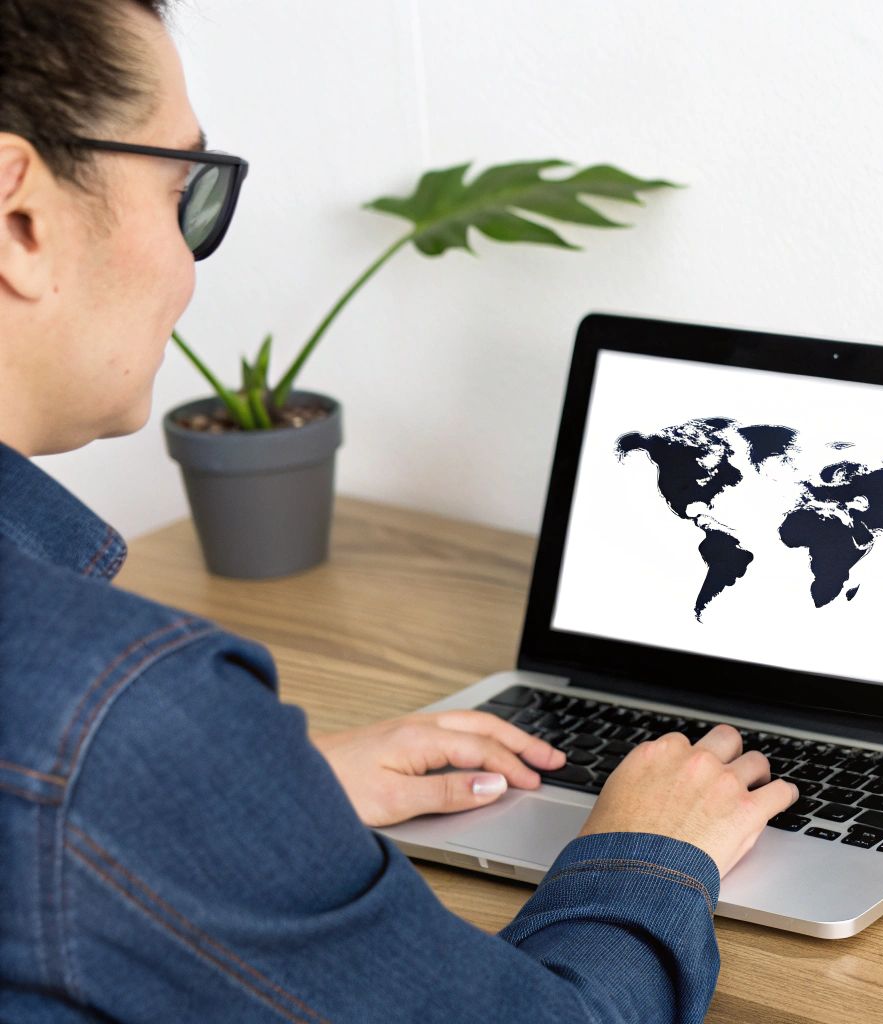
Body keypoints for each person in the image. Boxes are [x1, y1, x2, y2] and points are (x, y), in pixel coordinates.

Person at [0, 1, 798, 1020]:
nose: (189, 264)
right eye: (180, 190)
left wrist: (253, 807)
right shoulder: (119, 717)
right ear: (19, 216)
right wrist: (649, 854)